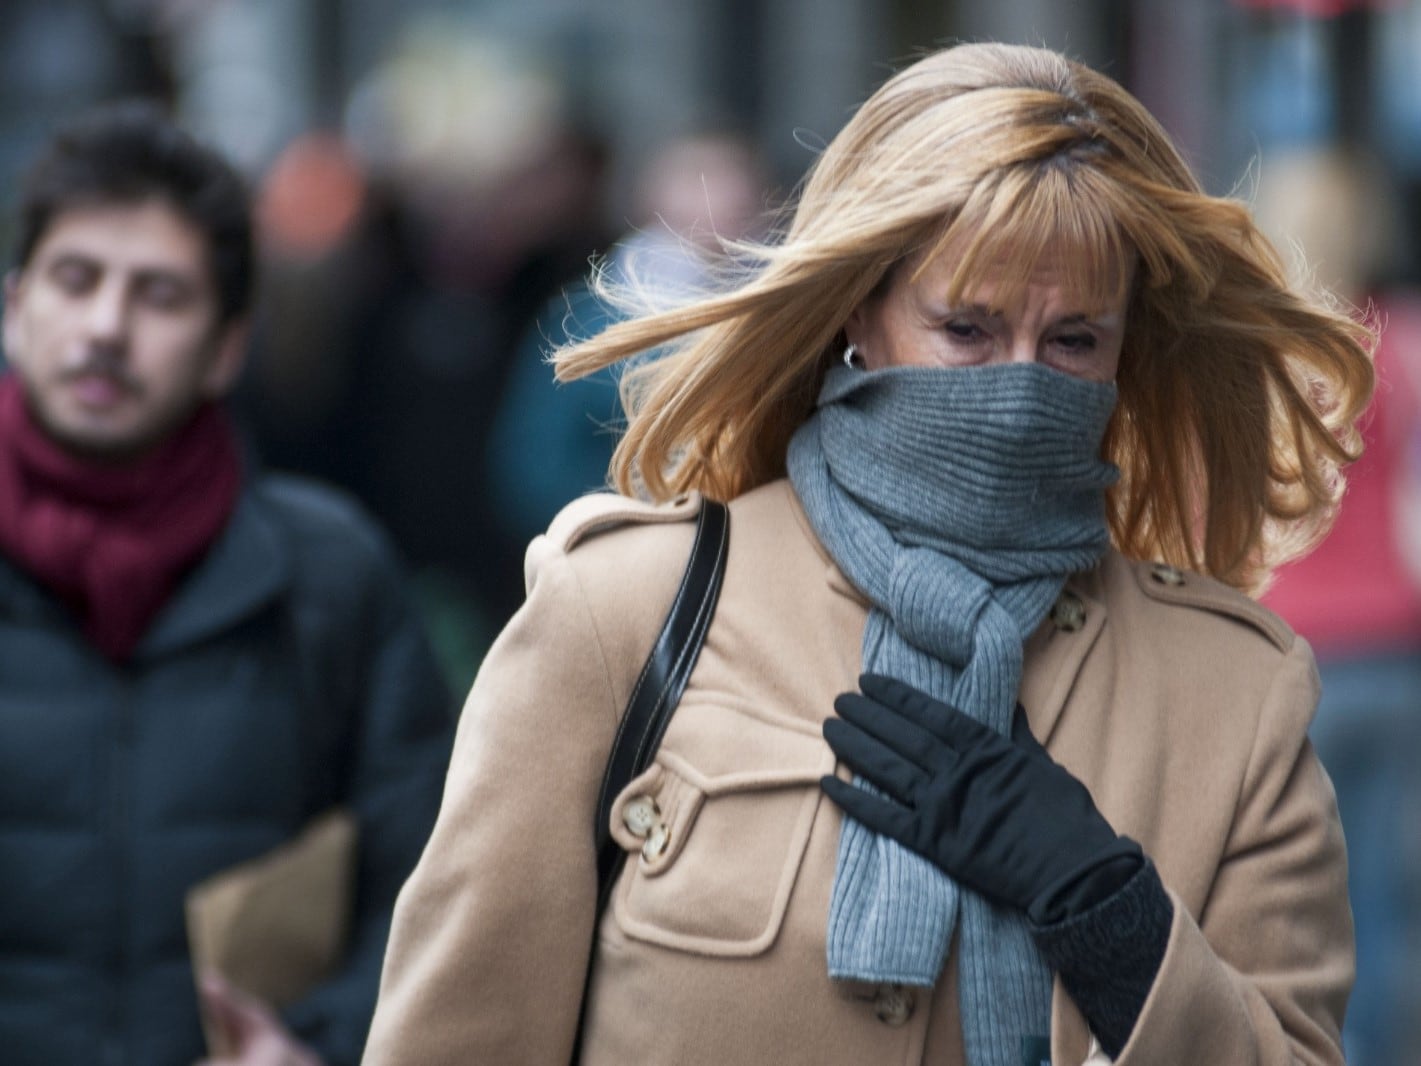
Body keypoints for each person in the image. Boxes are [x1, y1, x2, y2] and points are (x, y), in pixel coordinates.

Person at [363, 42, 1372, 1065]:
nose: (1017, 385)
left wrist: (1111, 919)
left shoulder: (1234, 694)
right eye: (965, 328)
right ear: (859, 307)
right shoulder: (625, 612)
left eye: (1073, 340)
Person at [0, 103, 454, 1066]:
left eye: (160, 295)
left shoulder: (329, 573)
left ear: (226, 348)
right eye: (75, 280)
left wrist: (322, 1045)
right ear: (14, 307)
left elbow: (436, 877)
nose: (106, 327)